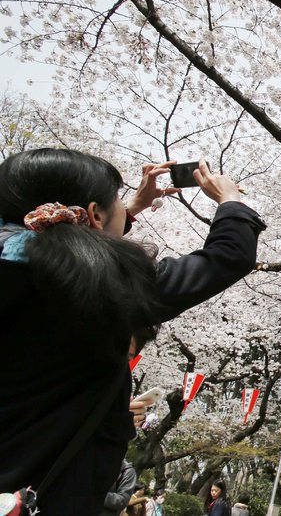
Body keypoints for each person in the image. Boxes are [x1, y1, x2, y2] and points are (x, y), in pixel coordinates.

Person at [0, 149, 266, 515]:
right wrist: (230, 202)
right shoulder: (110, 283)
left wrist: (129, 209)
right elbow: (228, 257)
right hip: (45, 492)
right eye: (116, 202)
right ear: (94, 215)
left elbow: (64, 242)